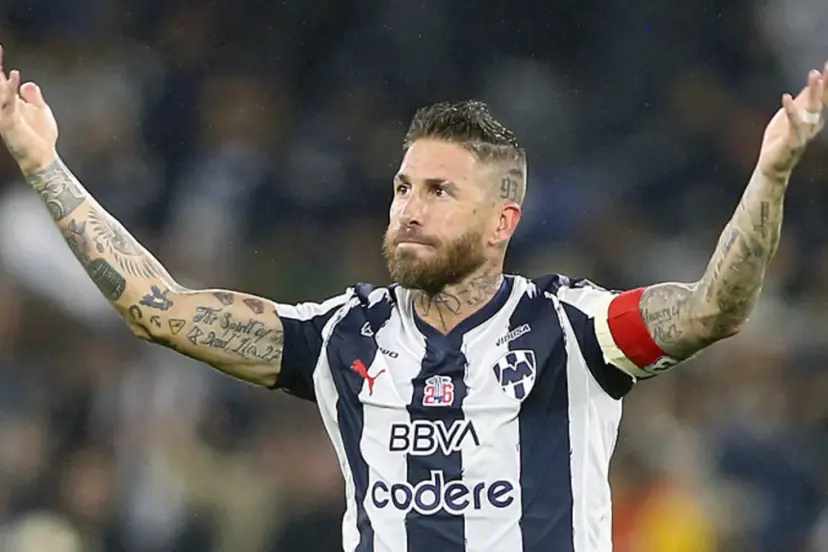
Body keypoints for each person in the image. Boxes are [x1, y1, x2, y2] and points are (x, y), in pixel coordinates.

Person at [0, 43, 825, 551]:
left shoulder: (572, 328)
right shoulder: (340, 337)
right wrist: (43, 164)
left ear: (502, 221)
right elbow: (157, 308)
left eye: (438, 191)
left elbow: (715, 307)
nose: (409, 209)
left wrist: (771, 172)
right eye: (402, 187)